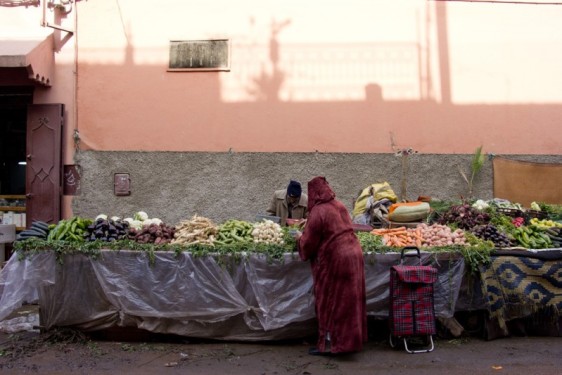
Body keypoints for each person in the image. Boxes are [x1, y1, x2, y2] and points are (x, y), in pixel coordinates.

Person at [295, 176, 367, 356]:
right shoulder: (339, 205)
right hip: (354, 254)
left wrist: (298, 238)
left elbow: (308, 244)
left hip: (336, 259)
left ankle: (332, 345)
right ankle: (352, 341)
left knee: (332, 301)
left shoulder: (318, 211)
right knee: (350, 301)